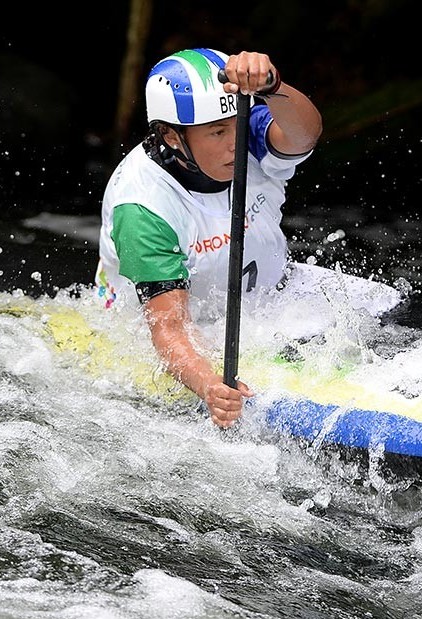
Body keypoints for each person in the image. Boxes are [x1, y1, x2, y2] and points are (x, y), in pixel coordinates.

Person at [95, 48, 322, 428]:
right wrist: (209, 386)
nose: (236, 142)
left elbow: (306, 134)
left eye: (236, 123)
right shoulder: (143, 208)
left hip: (273, 299)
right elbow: (169, 327)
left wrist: (273, 86)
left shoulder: (246, 127)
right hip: (178, 335)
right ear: (170, 135)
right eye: (218, 132)